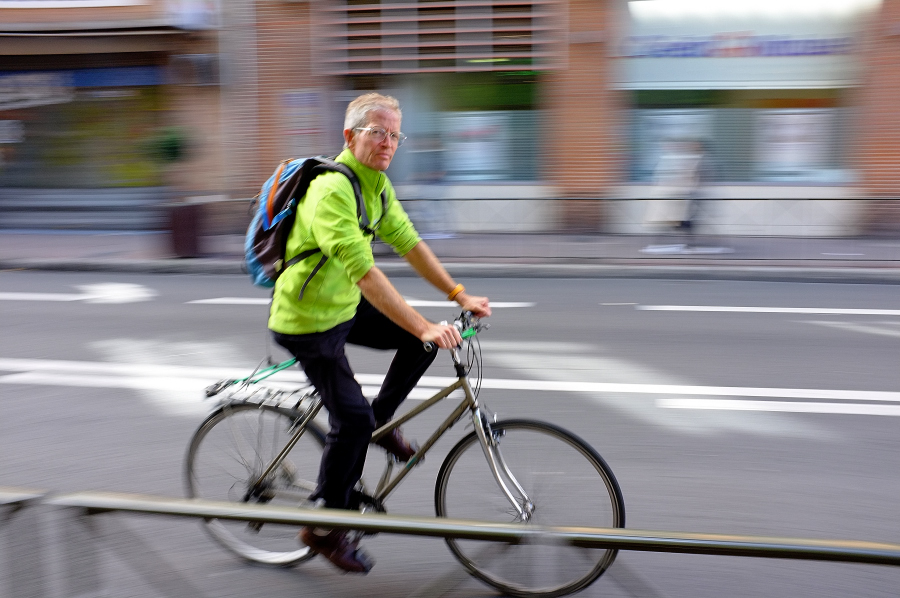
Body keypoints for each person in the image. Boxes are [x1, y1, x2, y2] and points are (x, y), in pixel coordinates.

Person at [268, 93, 491, 574]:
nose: (389, 142)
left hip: (342, 308)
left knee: (419, 343)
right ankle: (324, 527)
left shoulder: (378, 186)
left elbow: (409, 242)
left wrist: (458, 295)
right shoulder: (331, 190)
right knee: (350, 420)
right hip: (306, 322)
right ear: (351, 136)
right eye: (378, 132)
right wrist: (425, 321)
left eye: (395, 134)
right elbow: (366, 273)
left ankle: (379, 425)